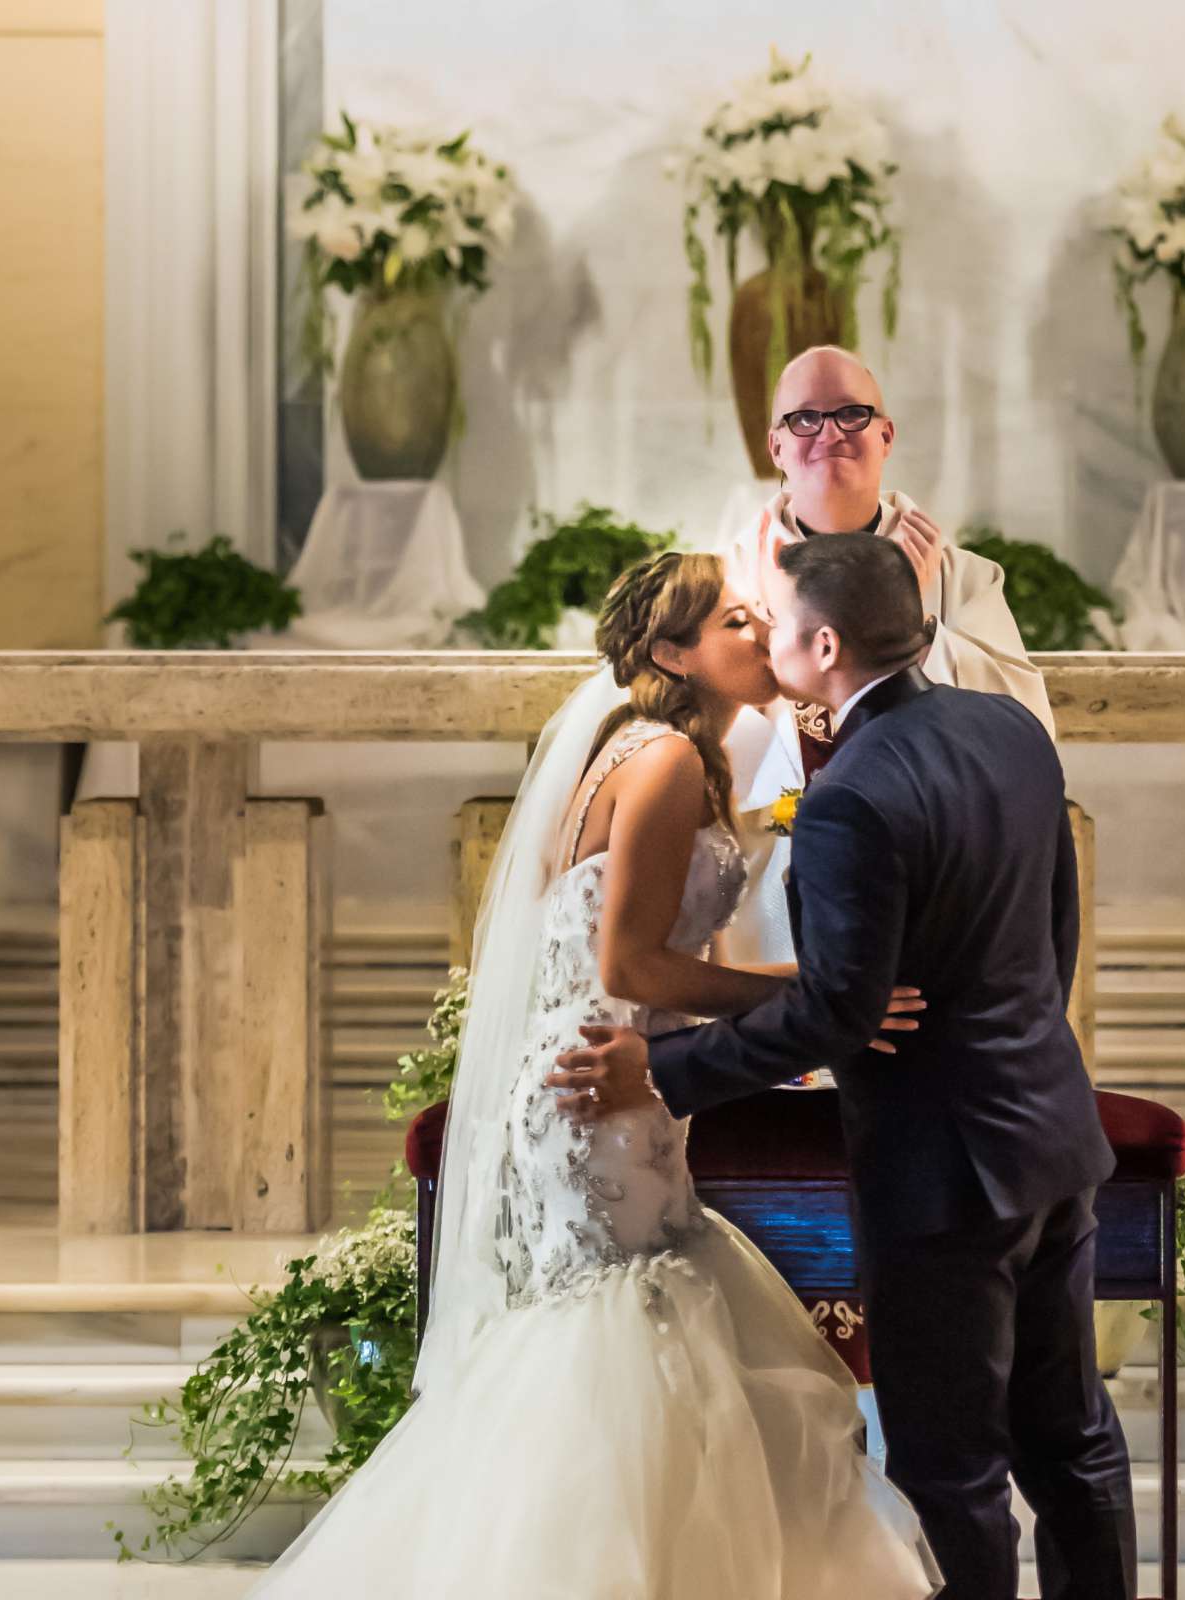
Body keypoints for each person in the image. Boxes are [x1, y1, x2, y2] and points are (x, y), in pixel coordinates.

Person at [249, 551, 937, 1599]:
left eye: (761, 621)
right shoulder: (661, 764)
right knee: (623, 1339)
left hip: (593, 1079)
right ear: (674, 653)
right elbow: (629, 967)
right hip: (600, 1091)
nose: (761, 637)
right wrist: (812, 999)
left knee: (619, 1332)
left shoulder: (640, 751)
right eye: (736, 626)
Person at [551, 534, 1136, 1600]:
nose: (767, 635)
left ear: (825, 643)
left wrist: (664, 1068)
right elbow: (1057, 935)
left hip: (943, 1172)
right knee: (1073, 1437)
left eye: (775, 619)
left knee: (951, 1467)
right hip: (1052, 1130)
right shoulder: (1009, 729)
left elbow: (837, 1014)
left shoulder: (851, 793)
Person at [715, 344, 1051, 965]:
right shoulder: (730, 578)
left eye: (851, 413)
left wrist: (922, 626)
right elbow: (689, 731)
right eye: (805, 419)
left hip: (928, 871)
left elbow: (1027, 730)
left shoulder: (960, 578)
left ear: (887, 433)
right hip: (767, 871)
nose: (830, 434)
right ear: (776, 447)